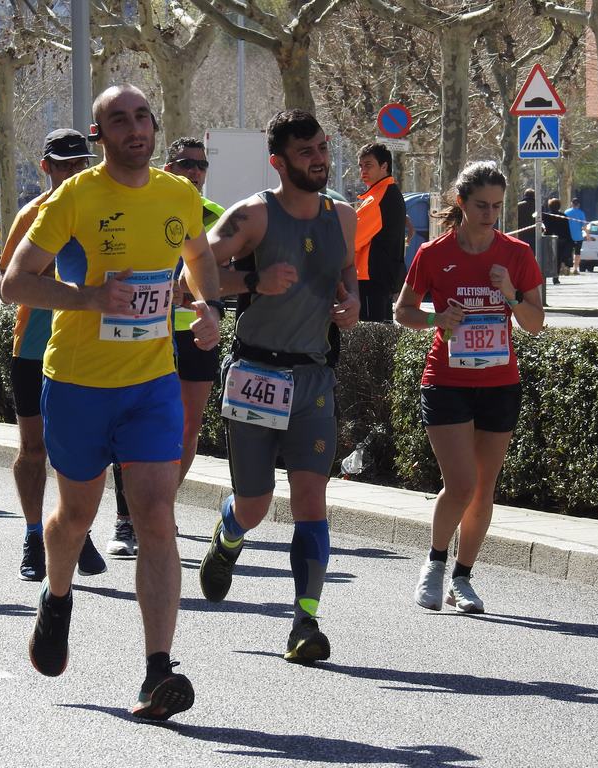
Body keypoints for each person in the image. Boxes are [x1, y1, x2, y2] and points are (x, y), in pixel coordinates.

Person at [1, 85, 222, 721]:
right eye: (118, 120)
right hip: (76, 384)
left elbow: (199, 257)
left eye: (142, 117)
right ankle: (58, 593)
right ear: (101, 137)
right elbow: (12, 283)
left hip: (151, 385)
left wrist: (206, 307)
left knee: (156, 516)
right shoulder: (75, 198)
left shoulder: (178, 196)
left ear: (156, 126)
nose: (134, 129)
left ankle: (158, 672)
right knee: (75, 517)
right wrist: (92, 299)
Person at [198, 109, 360, 664]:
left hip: (313, 376)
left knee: (312, 502)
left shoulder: (343, 217)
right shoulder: (253, 217)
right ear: (279, 162)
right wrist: (252, 281)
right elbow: (189, 275)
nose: (319, 160)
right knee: (256, 503)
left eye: (321, 148)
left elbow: (347, 276)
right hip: (255, 374)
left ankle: (304, 622)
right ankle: (228, 535)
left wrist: (351, 302)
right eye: (306, 153)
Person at [395, 161, 543, 614]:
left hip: (500, 382)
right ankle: (435, 562)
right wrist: (437, 320)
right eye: (481, 205)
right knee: (459, 484)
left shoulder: (516, 254)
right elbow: (403, 312)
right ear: (461, 203)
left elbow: (535, 324)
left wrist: (512, 294)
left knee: (483, 488)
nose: (490, 214)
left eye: (497, 206)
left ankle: (463, 578)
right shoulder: (434, 254)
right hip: (447, 380)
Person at [106, 136, 226, 557]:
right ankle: (128, 519)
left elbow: (230, 275)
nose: (195, 171)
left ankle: (156, 509)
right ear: (169, 167)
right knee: (138, 426)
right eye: (186, 163)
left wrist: (201, 297)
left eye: (202, 165)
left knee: (186, 428)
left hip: (195, 331)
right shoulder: (147, 205)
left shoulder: (216, 217)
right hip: (147, 331)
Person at [0, 128, 106, 581]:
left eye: (81, 163)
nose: (73, 172)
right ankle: (32, 530)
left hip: (87, 349)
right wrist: (58, 285)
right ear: (46, 168)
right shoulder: (34, 214)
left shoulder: (104, 208)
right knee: (34, 448)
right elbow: (5, 284)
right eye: (64, 165)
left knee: (77, 450)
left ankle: (73, 530)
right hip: (36, 348)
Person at [354, 142, 406, 322]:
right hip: (384, 277)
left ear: (384, 166)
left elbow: (351, 239)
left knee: (369, 340)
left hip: (371, 278)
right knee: (382, 336)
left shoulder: (376, 198)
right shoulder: (391, 192)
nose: (363, 171)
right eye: (360, 166)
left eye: (368, 165)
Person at [542, 198, 572, 284]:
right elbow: (567, 229)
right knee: (558, 259)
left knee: (547, 258)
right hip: (561, 240)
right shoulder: (563, 216)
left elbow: (544, 228)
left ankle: (545, 275)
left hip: (548, 239)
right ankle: (556, 277)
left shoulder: (546, 216)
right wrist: (569, 240)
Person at [564, 197, 587, 275]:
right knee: (577, 253)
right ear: (579, 205)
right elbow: (584, 226)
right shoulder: (581, 213)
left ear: (571, 204)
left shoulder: (566, 212)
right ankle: (575, 269)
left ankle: (567, 268)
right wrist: (588, 235)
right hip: (578, 236)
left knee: (568, 252)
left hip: (568, 236)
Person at [516, 188, 536, 254]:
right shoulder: (539, 206)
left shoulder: (518, 206)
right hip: (534, 234)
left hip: (521, 233)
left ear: (525, 195)